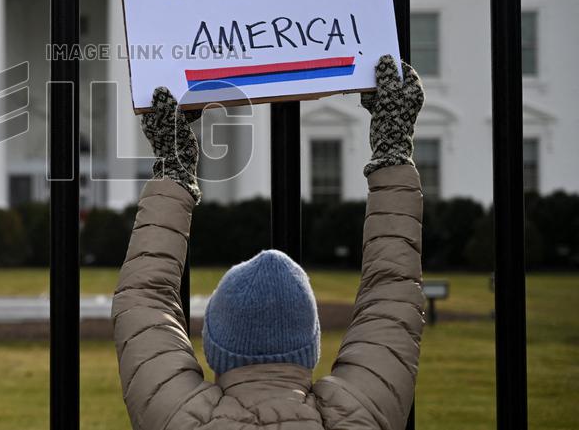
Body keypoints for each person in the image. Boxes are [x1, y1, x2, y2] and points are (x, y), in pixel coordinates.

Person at [112, 55, 425, 430]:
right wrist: (392, 150)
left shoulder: (181, 419)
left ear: (214, 347)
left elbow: (144, 298)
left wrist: (174, 169)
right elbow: (392, 293)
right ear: (312, 344)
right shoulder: (357, 416)